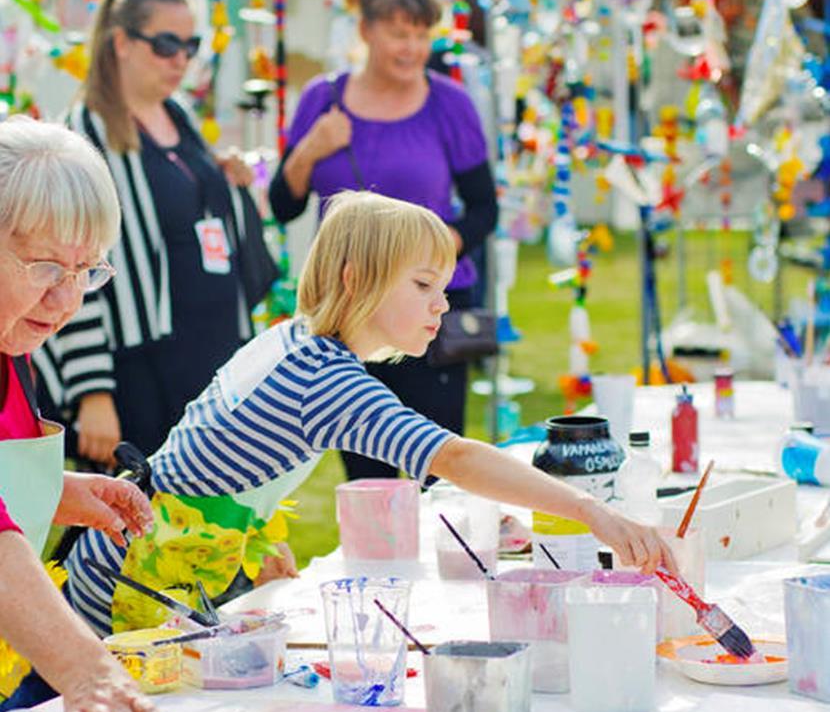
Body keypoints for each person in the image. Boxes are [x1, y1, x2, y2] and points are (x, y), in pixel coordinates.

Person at [66, 192, 675, 637]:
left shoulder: (290, 340)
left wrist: (254, 544)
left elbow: (215, 459)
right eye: (422, 285)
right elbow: (455, 458)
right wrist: (591, 511)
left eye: (443, 287)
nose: (441, 305)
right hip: (126, 583)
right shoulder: (326, 380)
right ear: (356, 279)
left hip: (134, 555)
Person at [269, 0, 497, 480]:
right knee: (369, 480)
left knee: (438, 472)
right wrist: (310, 150)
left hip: (430, 315)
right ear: (365, 29)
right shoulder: (321, 101)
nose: (412, 48)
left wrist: (421, 265)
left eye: (422, 35)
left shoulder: (449, 103)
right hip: (351, 313)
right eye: (399, 33)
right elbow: (281, 204)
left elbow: (484, 210)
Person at [35, 0, 276, 467]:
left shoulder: (180, 116)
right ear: (121, 42)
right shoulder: (82, 134)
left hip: (212, 352)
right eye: (166, 44)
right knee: (133, 522)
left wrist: (227, 183)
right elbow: (69, 267)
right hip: (138, 369)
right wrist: (93, 393)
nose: (181, 60)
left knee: (214, 517)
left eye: (190, 46)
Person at [0, 114, 169, 712]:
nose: (66, 299)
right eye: (45, 267)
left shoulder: (14, 336)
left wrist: (59, 491)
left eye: (86, 272)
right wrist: (87, 669)